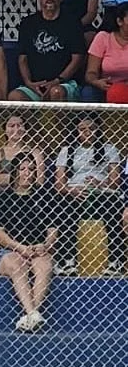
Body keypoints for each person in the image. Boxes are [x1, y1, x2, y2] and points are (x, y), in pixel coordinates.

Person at [53, 112, 125, 276]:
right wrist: (72, 190)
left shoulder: (109, 149)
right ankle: (67, 261)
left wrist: (100, 183)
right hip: (74, 192)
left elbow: (115, 182)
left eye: (91, 128)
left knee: (113, 207)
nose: (86, 132)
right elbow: (59, 184)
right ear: (75, 131)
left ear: (98, 129)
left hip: (102, 192)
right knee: (64, 207)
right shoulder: (67, 150)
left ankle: (115, 262)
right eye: (82, 129)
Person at [0, 153, 57, 332]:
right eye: (22, 169)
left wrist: (45, 245)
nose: (27, 173)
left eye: (31, 169)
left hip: (38, 249)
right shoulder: (3, 197)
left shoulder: (44, 196)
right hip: (10, 250)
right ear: (15, 171)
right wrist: (20, 247)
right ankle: (32, 313)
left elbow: (53, 229)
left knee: (45, 265)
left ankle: (31, 315)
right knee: (16, 263)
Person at [9, 0, 85, 102]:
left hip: (64, 83)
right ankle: (35, 123)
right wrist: (29, 83)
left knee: (56, 92)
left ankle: (59, 123)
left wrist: (57, 81)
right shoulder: (28, 23)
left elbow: (77, 58)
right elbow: (23, 58)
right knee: (15, 96)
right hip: (35, 85)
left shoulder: (72, 23)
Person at [82, 2, 128, 103]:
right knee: (88, 92)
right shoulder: (103, 38)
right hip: (106, 88)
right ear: (119, 21)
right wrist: (96, 82)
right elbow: (91, 72)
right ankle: (89, 119)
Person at [0, 112, 45, 188]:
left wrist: (5, 177)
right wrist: (23, 177)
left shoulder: (35, 153)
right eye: (11, 126)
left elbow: (39, 181)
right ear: (5, 130)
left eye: (20, 125)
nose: (16, 129)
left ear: (25, 129)